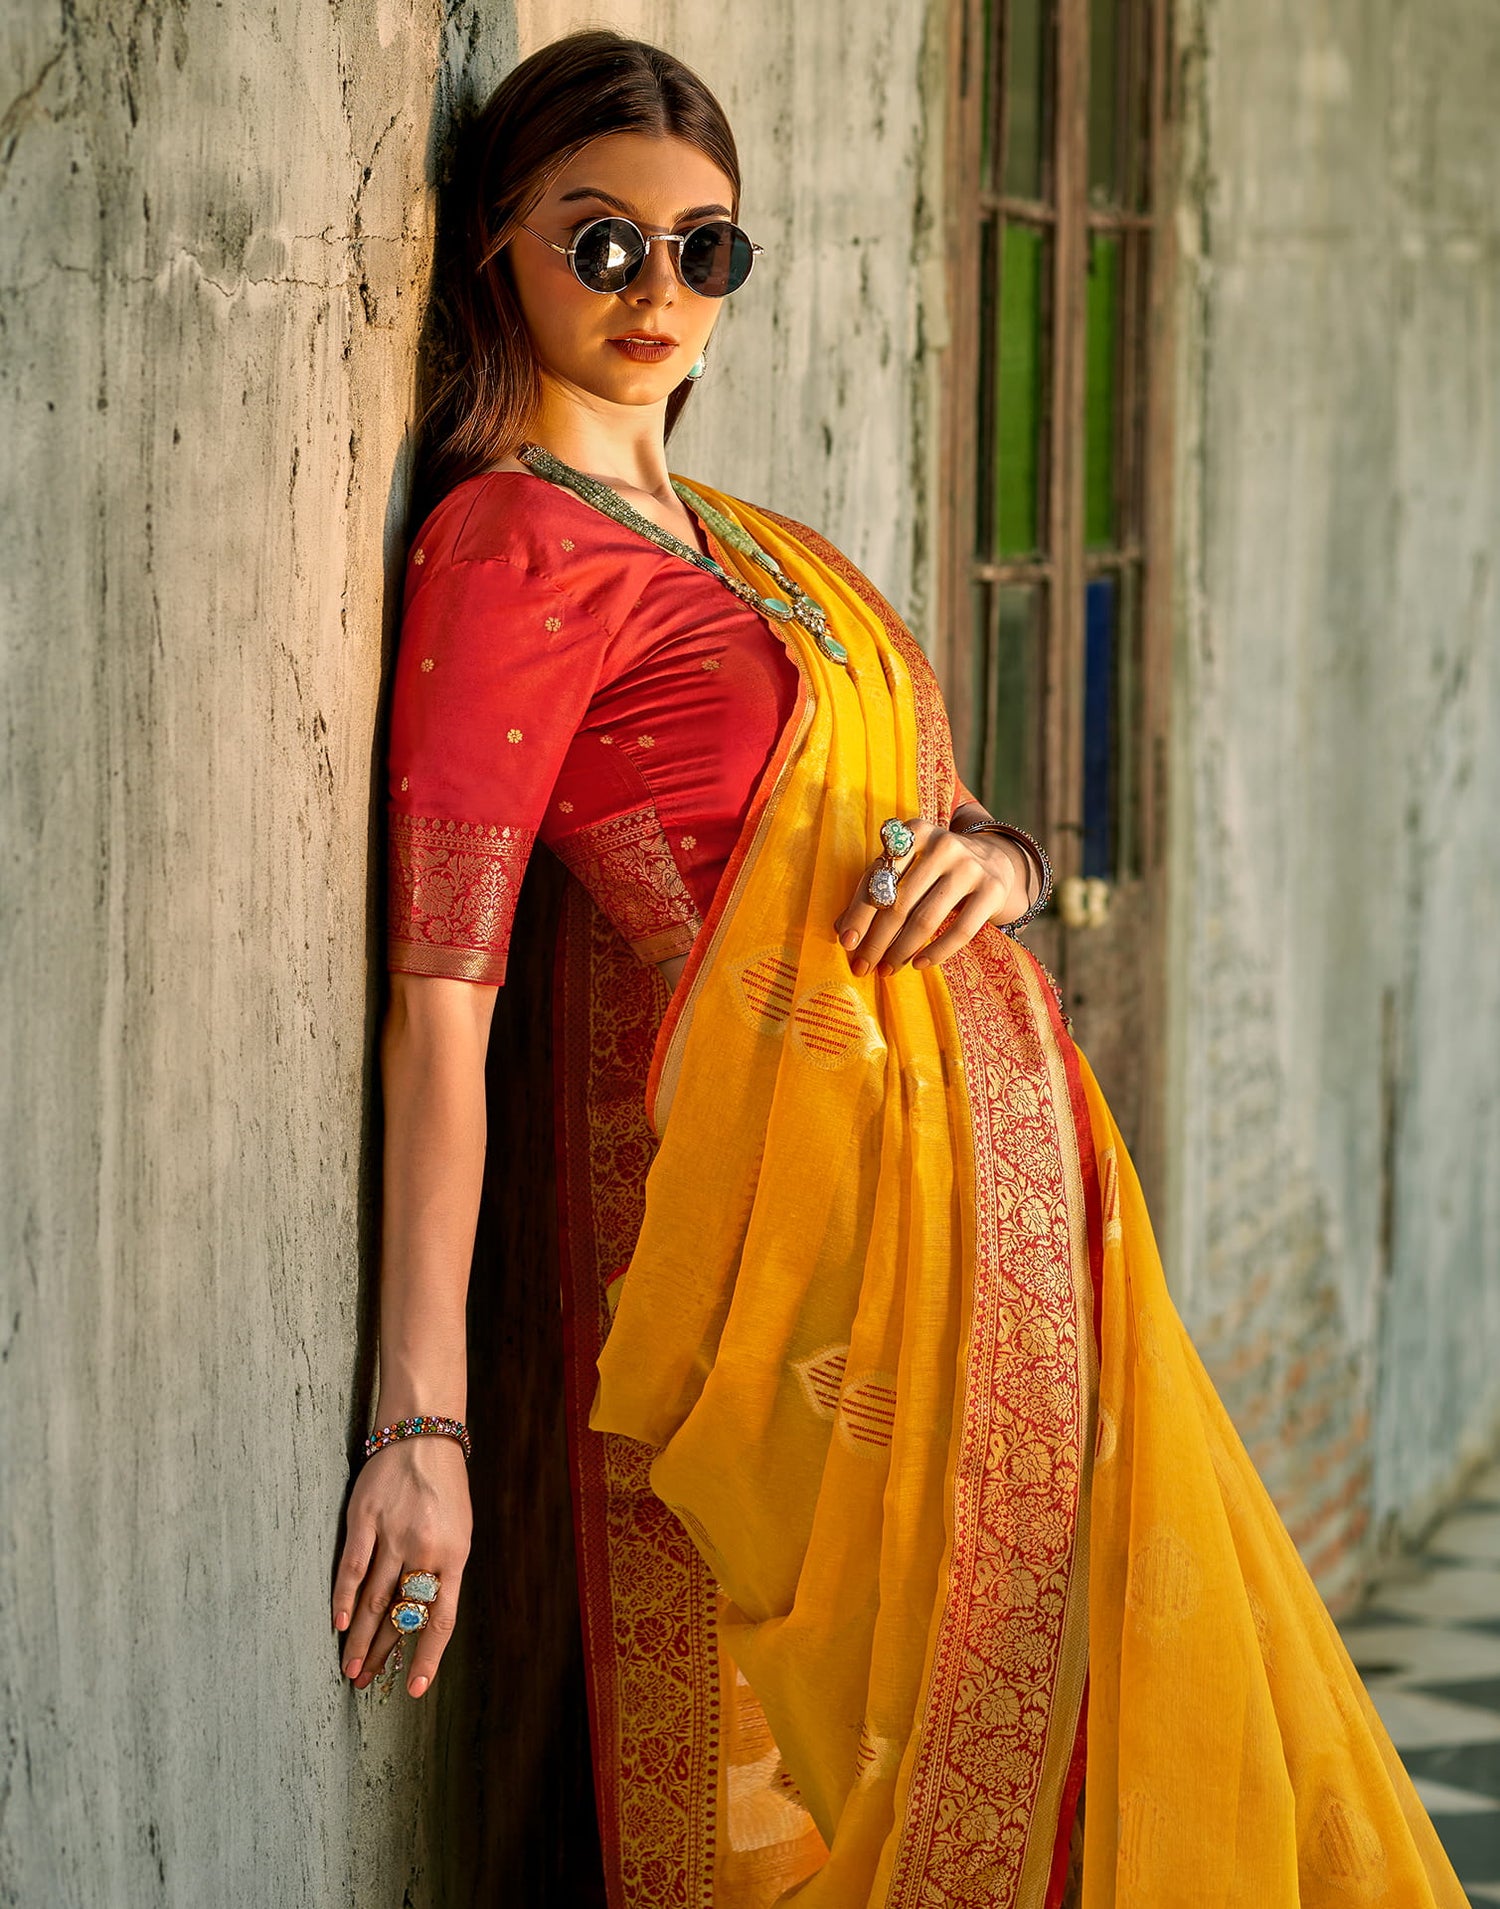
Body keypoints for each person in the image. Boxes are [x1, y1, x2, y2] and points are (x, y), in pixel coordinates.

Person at [330, 29, 1467, 1909]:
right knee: (889, 1783)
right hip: (819, 1286)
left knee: (1131, 1733)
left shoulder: (759, 553)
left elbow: (922, 814)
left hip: (1027, 1243)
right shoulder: (508, 552)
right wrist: (421, 1428)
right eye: (601, 243)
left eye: (708, 252)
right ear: (494, 249)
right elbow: (439, 1004)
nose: (657, 292)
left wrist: (1002, 857)